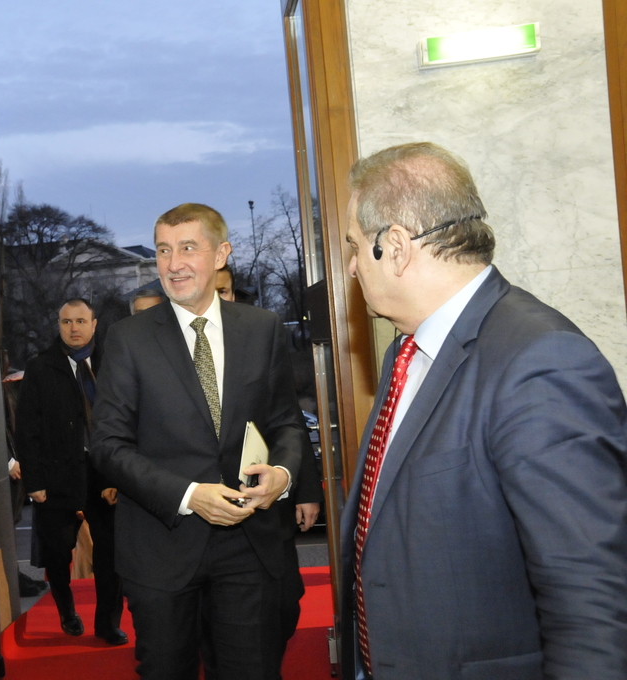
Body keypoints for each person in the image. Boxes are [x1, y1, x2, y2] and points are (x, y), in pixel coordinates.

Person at [339, 142, 627, 680]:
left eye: (355, 246)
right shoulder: (406, 351)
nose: (352, 267)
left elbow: (590, 598)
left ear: (395, 247)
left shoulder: (540, 359)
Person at [91, 203, 318, 679]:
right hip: (162, 546)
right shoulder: (127, 339)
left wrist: (282, 473)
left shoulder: (262, 328)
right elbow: (108, 445)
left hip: (250, 544)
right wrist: (190, 495)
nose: (173, 264)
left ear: (220, 254)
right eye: (163, 250)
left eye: (188, 248)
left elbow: (286, 422)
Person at [16, 298, 126, 644]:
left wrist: (119, 477)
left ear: (94, 325)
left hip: (104, 474)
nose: (73, 328)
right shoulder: (40, 367)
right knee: (57, 552)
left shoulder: (113, 363)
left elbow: (126, 422)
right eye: (66, 322)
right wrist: (34, 481)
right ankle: (66, 610)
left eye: (80, 321)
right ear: (59, 326)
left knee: (110, 554)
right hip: (56, 478)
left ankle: (107, 624)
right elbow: (27, 429)